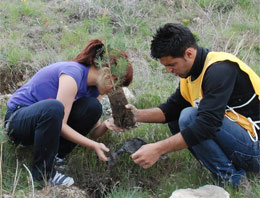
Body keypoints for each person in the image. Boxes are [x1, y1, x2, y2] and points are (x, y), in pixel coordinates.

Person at [126, 23, 260, 187]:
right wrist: (136, 116)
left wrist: (158, 149)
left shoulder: (220, 70)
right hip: (242, 141)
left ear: (188, 53)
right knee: (179, 117)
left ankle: (234, 182)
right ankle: (226, 172)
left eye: (171, 65)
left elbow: (206, 125)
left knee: (189, 117)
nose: (168, 70)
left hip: (256, 149)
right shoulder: (190, 74)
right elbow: (170, 110)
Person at [4, 39, 133, 187]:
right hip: (17, 120)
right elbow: (61, 125)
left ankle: (55, 156)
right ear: (105, 72)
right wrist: (93, 146)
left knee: (94, 107)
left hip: (44, 122)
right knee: (54, 108)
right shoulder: (73, 75)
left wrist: (105, 125)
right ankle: (43, 174)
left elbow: (92, 132)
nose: (115, 90)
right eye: (115, 83)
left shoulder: (94, 89)